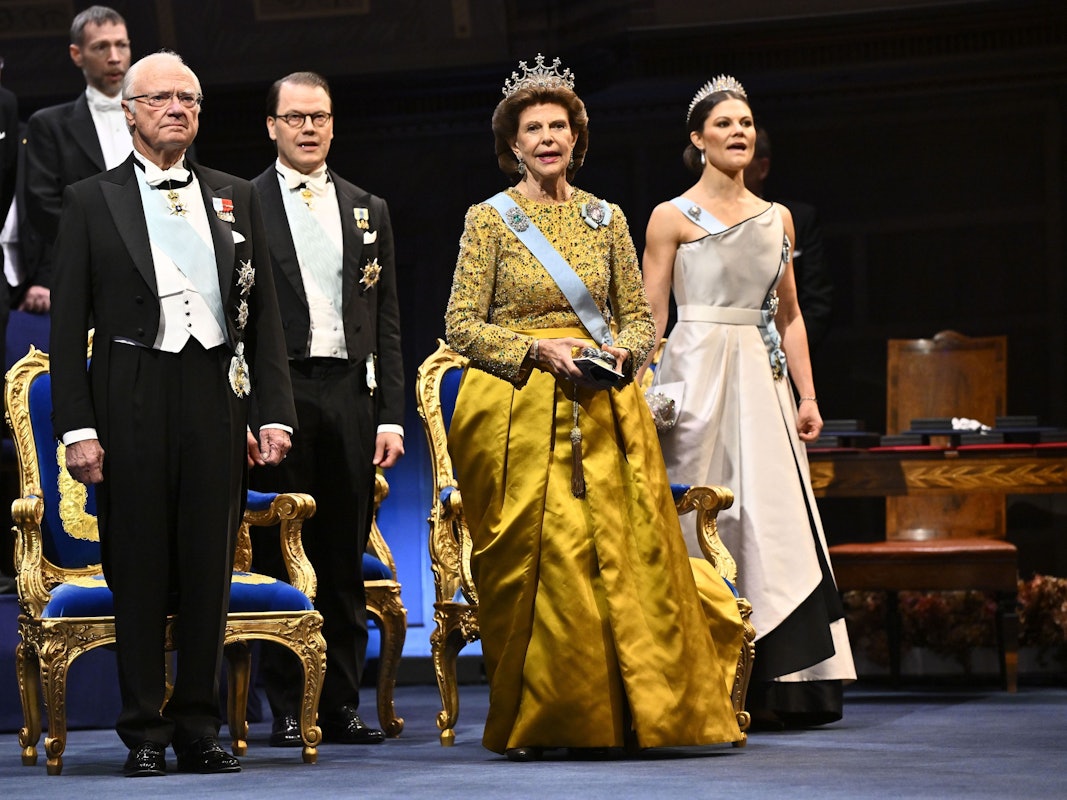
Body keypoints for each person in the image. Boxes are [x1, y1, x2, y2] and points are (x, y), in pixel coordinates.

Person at [444, 55, 745, 761]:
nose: (547, 138)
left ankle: (639, 713)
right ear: (512, 144)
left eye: (559, 126)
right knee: (554, 559)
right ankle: (553, 717)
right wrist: (535, 349)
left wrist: (621, 353)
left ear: (576, 138)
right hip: (519, 408)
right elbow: (460, 324)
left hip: (605, 406)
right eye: (533, 129)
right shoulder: (488, 221)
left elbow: (638, 317)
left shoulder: (606, 217)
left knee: (627, 556)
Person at [49, 50, 296, 777]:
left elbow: (263, 316)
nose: (177, 109)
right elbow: (66, 328)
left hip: (216, 391)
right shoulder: (90, 199)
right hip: (130, 388)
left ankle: (198, 725)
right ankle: (144, 731)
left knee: (208, 564)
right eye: (160, 99)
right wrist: (78, 428)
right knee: (139, 564)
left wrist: (273, 411)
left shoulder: (233, 194)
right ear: (130, 113)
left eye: (188, 98)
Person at [641, 76, 856, 729]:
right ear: (697, 139)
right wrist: (642, 388)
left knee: (772, 515)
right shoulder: (670, 216)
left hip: (762, 380)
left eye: (746, 123)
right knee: (700, 510)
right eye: (724, 123)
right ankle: (697, 672)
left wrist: (808, 395)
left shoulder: (777, 218)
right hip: (696, 371)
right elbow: (650, 316)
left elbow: (789, 314)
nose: (738, 132)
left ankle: (785, 682)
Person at [249, 71, 404, 748]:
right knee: (281, 553)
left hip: (349, 394)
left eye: (320, 116)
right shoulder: (242, 202)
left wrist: (391, 414)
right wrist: (253, 409)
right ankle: (288, 705)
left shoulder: (368, 207)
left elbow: (387, 317)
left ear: (334, 124)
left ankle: (340, 703)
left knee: (343, 552)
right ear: (272, 127)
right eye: (295, 117)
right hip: (279, 393)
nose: (308, 127)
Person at [22, 5, 133, 315]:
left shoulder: (160, 118)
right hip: (85, 277)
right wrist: (102, 245)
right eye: (101, 47)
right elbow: (42, 206)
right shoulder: (49, 125)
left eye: (122, 45)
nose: (115, 57)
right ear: (77, 54)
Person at [743, 126, 833, 351]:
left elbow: (815, 305)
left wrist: (780, 354)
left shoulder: (792, 218)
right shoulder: (691, 222)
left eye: (742, 156)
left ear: (762, 167)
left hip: (781, 353)